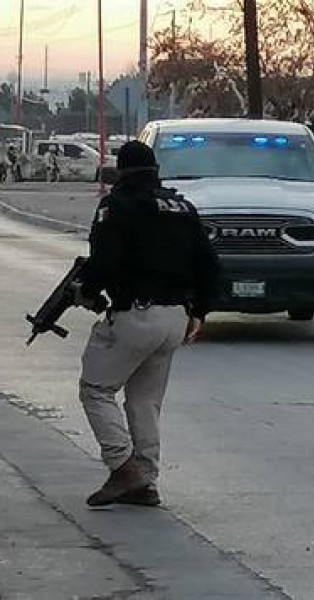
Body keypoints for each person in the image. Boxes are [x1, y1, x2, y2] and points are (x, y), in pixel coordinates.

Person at [77, 140, 219, 508]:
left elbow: (104, 260)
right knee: (145, 401)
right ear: (155, 171)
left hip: (137, 313)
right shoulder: (182, 207)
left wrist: (86, 290)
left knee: (95, 388)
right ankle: (145, 481)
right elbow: (210, 265)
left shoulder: (117, 205)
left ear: (120, 173)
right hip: (176, 318)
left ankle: (124, 466)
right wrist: (199, 312)